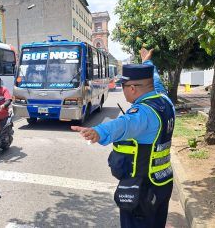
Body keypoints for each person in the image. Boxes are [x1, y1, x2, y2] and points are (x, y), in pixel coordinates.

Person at [72, 48, 175, 228]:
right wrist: (147, 63)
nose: (122, 90)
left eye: (124, 86)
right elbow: (155, 81)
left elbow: (123, 124)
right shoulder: (164, 101)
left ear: (133, 88)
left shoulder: (142, 112)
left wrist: (98, 132)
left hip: (142, 189)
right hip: (162, 182)